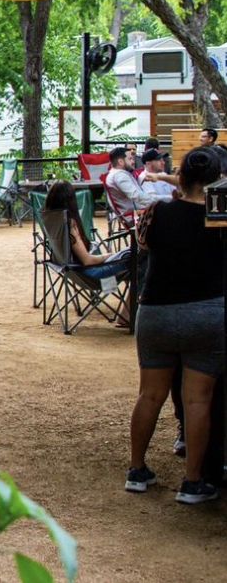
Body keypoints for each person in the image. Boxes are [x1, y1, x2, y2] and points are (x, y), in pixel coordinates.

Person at [126, 147, 224, 503]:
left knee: (150, 393)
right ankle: (192, 480)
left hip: (156, 310)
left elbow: (144, 242)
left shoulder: (158, 209)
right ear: (216, 181)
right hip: (207, 312)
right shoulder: (220, 218)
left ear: (180, 176)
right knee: (197, 398)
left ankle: (137, 469)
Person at [43, 180, 133, 326]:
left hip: (71, 271)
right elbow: (87, 261)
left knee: (136, 264)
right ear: (71, 200)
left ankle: (127, 312)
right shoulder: (69, 223)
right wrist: (107, 256)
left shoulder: (51, 218)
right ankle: (126, 314)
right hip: (90, 275)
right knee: (137, 256)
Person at [104, 146, 156, 214]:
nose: (133, 161)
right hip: (138, 215)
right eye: (130, 159)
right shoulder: (120, 176)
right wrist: (158, 204)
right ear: (121, 161)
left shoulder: (115, 174)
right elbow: (136, 195)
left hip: (137, 212)